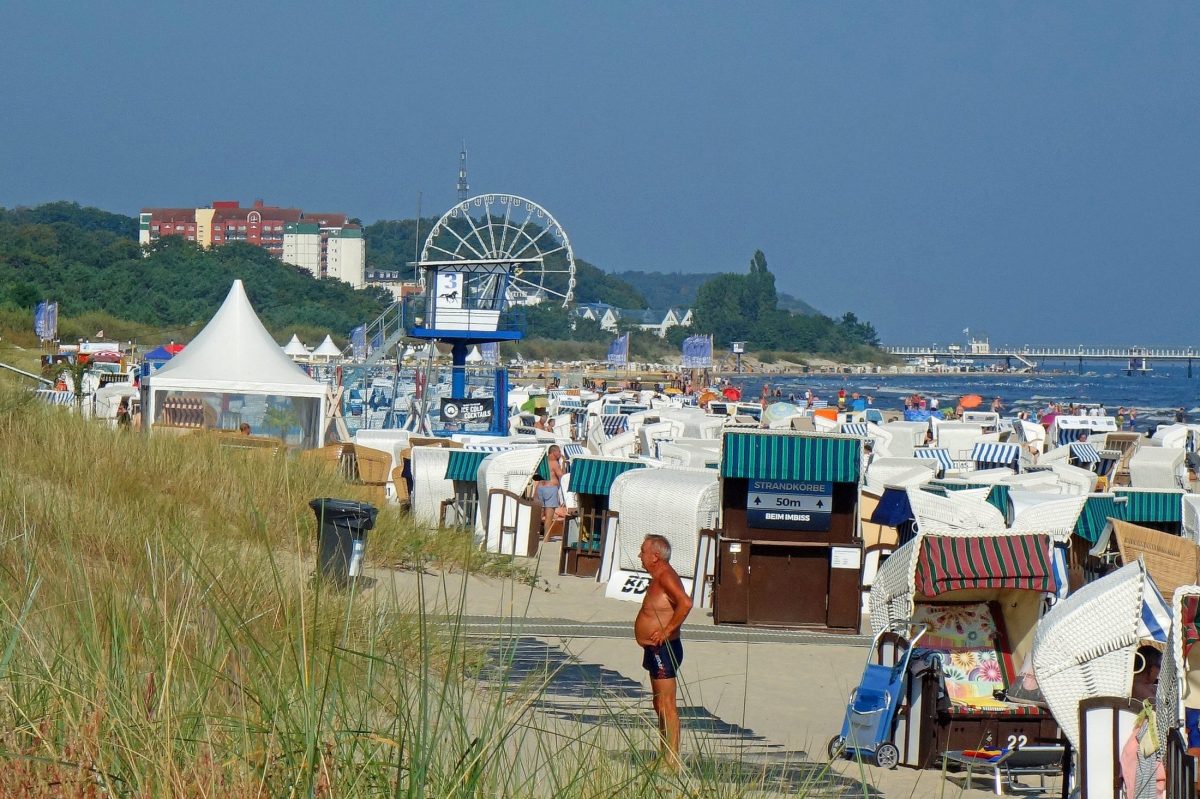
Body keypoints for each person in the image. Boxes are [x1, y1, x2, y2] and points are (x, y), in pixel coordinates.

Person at [634, 534, 693, 771]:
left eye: (643, 551)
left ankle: (672, 761)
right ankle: (664, 755)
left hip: (664, 650)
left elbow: (686, 603)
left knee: (667, 704)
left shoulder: (667, 577)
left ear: (655, 556)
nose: (640, 555)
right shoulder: (657, 577)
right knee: (658, 704)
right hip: (654, 649)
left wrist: (667, 630)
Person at [537, 445, 565, 541]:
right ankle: (546, 539)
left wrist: (534, 493)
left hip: (540, 488)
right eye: (559, 452)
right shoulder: (554, 463)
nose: (560, 454)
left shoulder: (542, 462)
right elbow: (562, 476)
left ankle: (534, 537)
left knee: (538, 515)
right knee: (549, 517)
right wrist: (563, 466)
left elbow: (537, 478)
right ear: (554, 452)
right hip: (551, 489)